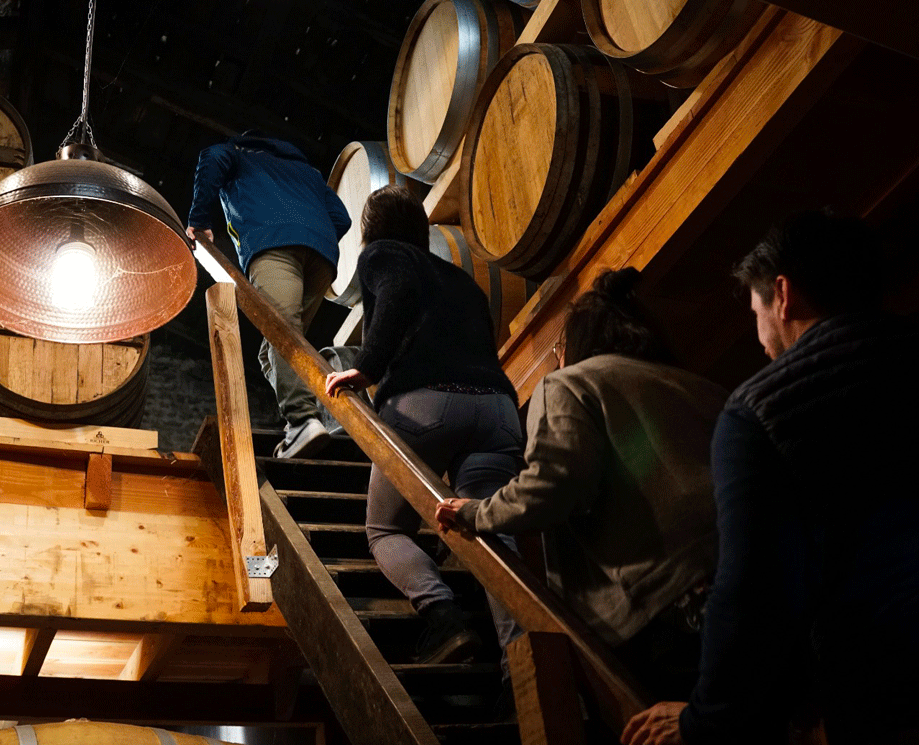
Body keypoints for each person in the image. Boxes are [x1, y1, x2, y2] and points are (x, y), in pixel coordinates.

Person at [622, 211, 919, 745]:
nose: (759, 338)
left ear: (782, 294)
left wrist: (706, 718)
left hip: (887, 692)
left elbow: (753, 593)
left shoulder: (761, 412)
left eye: (754, 310)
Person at [435, 267, 728, 702]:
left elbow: (555, 482)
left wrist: (477, 512)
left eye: (558, 348)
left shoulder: (571, 383)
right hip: (756, 577)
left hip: (670, 600)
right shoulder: (700, 387)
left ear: (572, 344)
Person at [324, 185, 525, 674]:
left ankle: (444, 615)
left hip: (425, 405)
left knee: (385, 529)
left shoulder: (384, 255)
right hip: (497, 410)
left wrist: (367, 368)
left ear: (371, 230)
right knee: (490, 532)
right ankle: (521, 664)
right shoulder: (462, 281)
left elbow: (397, 293)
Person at [187, 130, 351, 459]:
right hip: (322, 257)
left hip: (273, 246)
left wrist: (199, 221)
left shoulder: (237, 154)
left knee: (282, 332)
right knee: (272, 351)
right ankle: (305, 414)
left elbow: (212, 156)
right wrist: (310, 231)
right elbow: (341, 218)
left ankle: (303, 420)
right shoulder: (308, 173)